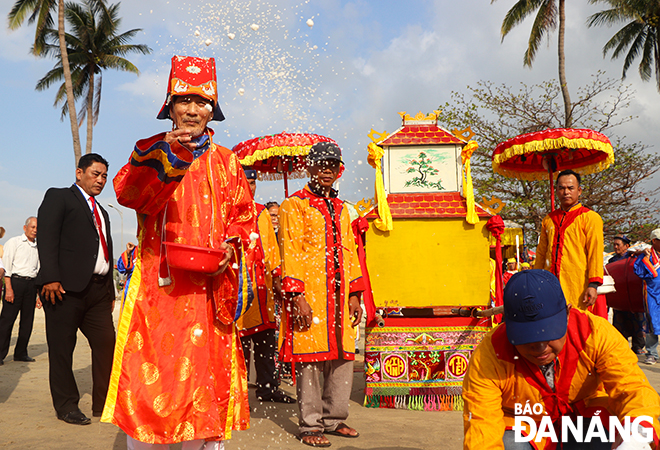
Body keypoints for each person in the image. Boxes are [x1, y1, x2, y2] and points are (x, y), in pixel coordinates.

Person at [103, 55, 257, 450]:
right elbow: (128, 193)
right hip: (160, 289)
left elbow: (244, 219)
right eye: (183, 101)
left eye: (201, 102)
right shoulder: (153, 151)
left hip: (209, 291)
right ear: (169, 107)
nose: (191, 109)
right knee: (152, 381)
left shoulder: (228, 161)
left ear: (212, 111)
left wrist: (230, 245)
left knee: (207, 386)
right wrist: (164, 153)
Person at [463, 269, 660, 449]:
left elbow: (632, 388)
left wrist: (637, 434)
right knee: (510, 445)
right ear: (508, 324)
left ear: (567, 314)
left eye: (549, 334)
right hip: (525, 422)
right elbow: (482, 423)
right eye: (527, 339)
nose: (540, 348)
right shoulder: (490, 353)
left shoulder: (595, 333)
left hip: (586, 415)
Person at [278, 141, 364, 447]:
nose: (327, 169)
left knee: (341, 359)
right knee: (309, 361)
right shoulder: (294, 204)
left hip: (340, 298)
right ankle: (310, 424)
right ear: (309, 168)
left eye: (332, 165)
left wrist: (355, 293)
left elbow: (350, 251)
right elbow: (290, 251)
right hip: (311, 296)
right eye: (321, 164)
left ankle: (334, 419)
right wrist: (297, 295)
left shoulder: (344, 209)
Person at [37, 153, 116, 425]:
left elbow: (105, 253)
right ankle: (67, 405)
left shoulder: (103, 211)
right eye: (95, 174)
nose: (101, 180)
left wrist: (111, 292)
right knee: (62, 349)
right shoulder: (59, 197)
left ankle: (103, 403)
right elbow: (47, 238)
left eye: (105, 176)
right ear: (79, 173)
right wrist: (50, 277)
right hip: (62, 290)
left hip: (98, 292)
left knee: (107, 343)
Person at [237, 169, 294, 404]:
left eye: (253, 183)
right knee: (238, 347)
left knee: (265, 342)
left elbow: (271, 249)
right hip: (239, 289)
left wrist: (278, 279)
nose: (251, 187)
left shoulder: (261, 211)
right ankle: (236, 394)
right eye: (246, 182)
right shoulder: (228, 210)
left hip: (262, 289)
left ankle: (268, 388)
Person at [534, 169, 604, 310]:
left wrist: (593, 284)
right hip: (549, 285)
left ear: (579, 191)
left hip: (578, 285)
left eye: (570, 188)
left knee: (578, 325)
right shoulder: (548, 220)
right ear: (556, 191)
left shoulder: (590, 217)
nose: (566, 192)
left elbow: (595, 253)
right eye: (562, 188)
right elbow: (541, 254)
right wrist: (536, 280)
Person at [0, 217, 40, 365]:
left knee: (27, 321)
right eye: (33, 227)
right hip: (15, 283)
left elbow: (38, 270)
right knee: (6, 321)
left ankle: (21, 353)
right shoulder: (14, 243)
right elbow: (7, 268)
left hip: (31, 285)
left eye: (37, 228)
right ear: (25, 228)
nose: (35, 230)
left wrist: (38, 295)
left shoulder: (38, 247)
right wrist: (8, 289)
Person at [610, 235, 647, 355]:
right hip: (620, 299)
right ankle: (622, 348)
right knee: (619, 325)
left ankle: (638, 347)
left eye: (618, 244)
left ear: (626, 246)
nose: (615, 247)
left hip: (634, 297)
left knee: (639, 323)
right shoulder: (612, 261)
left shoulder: (634, 257)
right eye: (614, 245)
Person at [634, 228, 660, 366]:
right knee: (651, 323)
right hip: (651, 293)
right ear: (654, 241)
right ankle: (652, 353)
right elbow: (638, 270)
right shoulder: (647, 255)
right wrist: (641, 255)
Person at [116, 242, 137, 311]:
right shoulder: (135, 251)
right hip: (133, 286)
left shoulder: (159, 251)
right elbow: (121, 268)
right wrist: (128, 252)